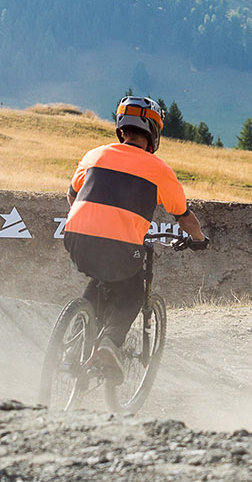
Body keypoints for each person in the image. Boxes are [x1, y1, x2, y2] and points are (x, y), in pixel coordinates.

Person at [63, 94, 208, 380]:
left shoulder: (95, 154)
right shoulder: (159, 170)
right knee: (133, 291)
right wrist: (200, 239)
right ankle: (110, 343)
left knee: (100, 277)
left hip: (76, 239)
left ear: (121, 127)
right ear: (154, 133)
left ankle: (72, 347)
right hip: (119, 247)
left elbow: (72, 194)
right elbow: (184, 217)